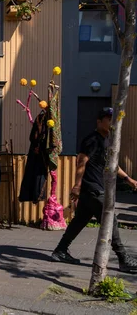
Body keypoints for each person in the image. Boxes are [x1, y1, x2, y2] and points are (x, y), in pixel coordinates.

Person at [51, 107, 137, 273]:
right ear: (99, 121)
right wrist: (77, 185)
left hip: (92, 189)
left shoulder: (107, 140)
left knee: (79, 221)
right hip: (93, 188)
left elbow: (112, 165)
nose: (112, 122)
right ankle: (123, 259)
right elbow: (81, 161)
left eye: (114, 119)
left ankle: (60, 251)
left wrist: (128, 179)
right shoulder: (92, 140)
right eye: (108, 118)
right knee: (110, 220)